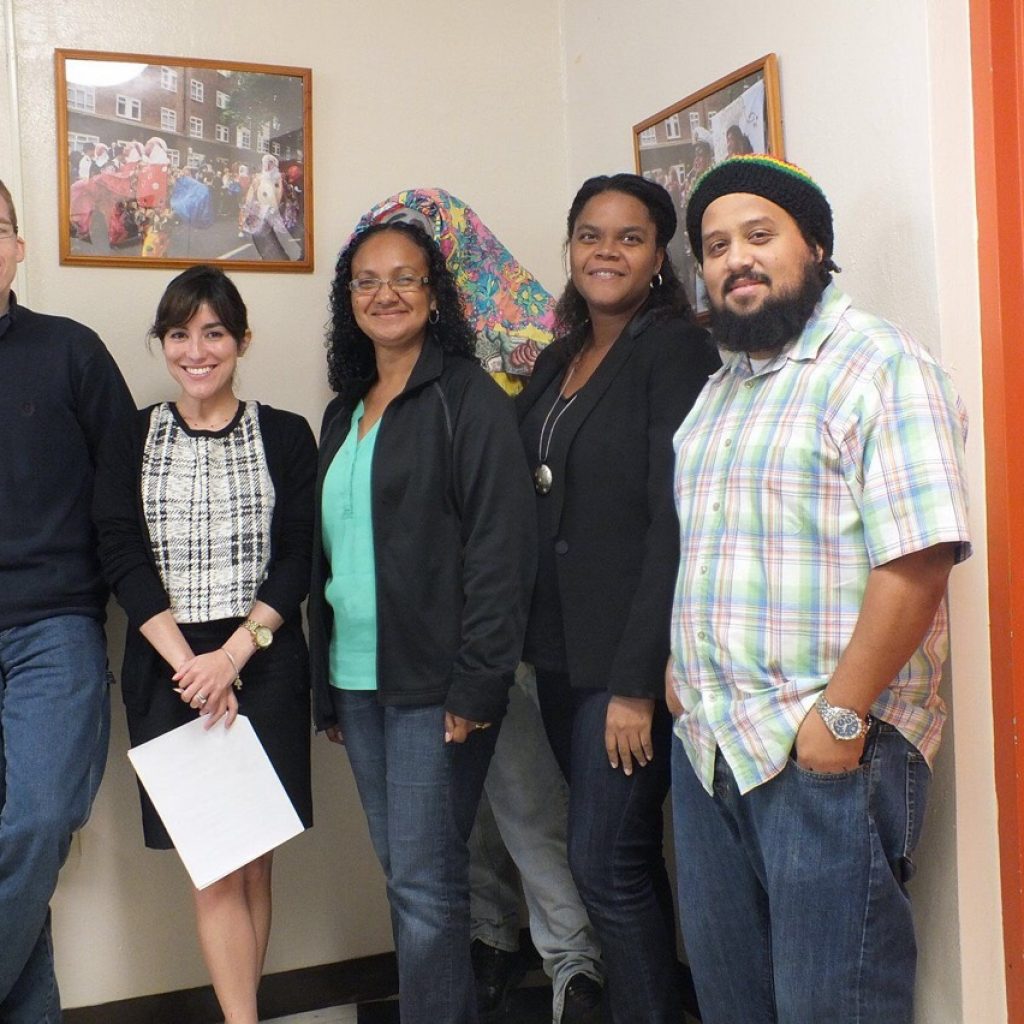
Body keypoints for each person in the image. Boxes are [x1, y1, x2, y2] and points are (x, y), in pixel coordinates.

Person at [670, 155, 972, 1024]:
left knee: (829, 1010)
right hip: (712, 748)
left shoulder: (878, 366)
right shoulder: (719, 393)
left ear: (817, 246)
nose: (736, 260)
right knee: (735, 1007)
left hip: (830, 752)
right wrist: (678, 667)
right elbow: (710, 550)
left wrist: (838, 719)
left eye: (759, 236)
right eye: (716, 246)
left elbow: (917, 561)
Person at [309, 220, 535, 1024]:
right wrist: (327, 690)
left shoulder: (466, 397)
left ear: (433, 295)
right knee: (407, 877)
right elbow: (328, 561)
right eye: (367, 281)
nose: (386, 294)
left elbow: (501, 550)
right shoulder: (346, 411)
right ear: (350, 301)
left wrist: (477, 684)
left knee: (426, 886)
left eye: (404, 278)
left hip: (434, 686)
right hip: (359, 681)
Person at [516, 173, 720, 1024]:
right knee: (620, 860)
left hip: (624, 661)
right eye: (591, 234)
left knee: (606, 863)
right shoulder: (560, 357)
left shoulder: (673, 349)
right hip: (560, 653)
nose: (606, 250)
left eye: (630, 237)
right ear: (569, 246)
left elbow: (675, 519)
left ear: (659, 256)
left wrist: (637, 682)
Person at [93, 264, 315, 1024]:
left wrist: (234, 657)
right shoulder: (132, 436)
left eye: (214, 332)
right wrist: (193, 664)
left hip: (266, 663)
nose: (197, 349)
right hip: (170, 670)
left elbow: (297, 558)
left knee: (255, 863)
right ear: (163, 344)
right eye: (180, 333)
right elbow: (121, 552)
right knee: (215, 868)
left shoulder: (286, 435)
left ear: (241, 340)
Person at [0, 179, 135, 1022]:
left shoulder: (71, 351)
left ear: (17, 246)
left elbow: (126, 494)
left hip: (54, 622)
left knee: (39, 820)